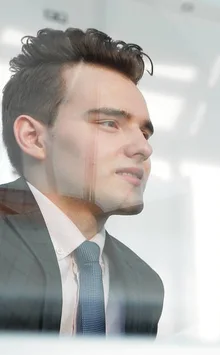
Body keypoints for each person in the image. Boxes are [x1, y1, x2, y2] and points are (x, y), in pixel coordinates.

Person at [0, 28, 164, 336]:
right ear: (33, 137)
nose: (143, 148)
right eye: (109, 123)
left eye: (144, 133)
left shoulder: (144, 283)